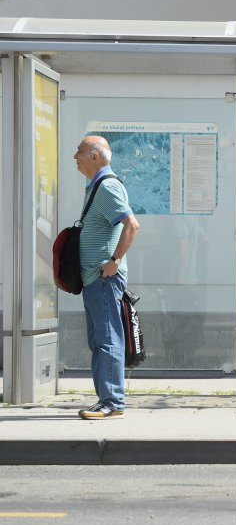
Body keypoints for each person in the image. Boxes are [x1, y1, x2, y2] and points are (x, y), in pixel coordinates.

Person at [74, 135, 140, 419]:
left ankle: (112, 402)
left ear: (94, 156)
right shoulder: (96, 187)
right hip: (94, 279)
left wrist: (115, 261)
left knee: (108, 338)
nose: (74, 157)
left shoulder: (108, 186)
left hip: (103, 278)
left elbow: (132, 225)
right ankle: (106, 399)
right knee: (99, 340)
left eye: (79, 151)